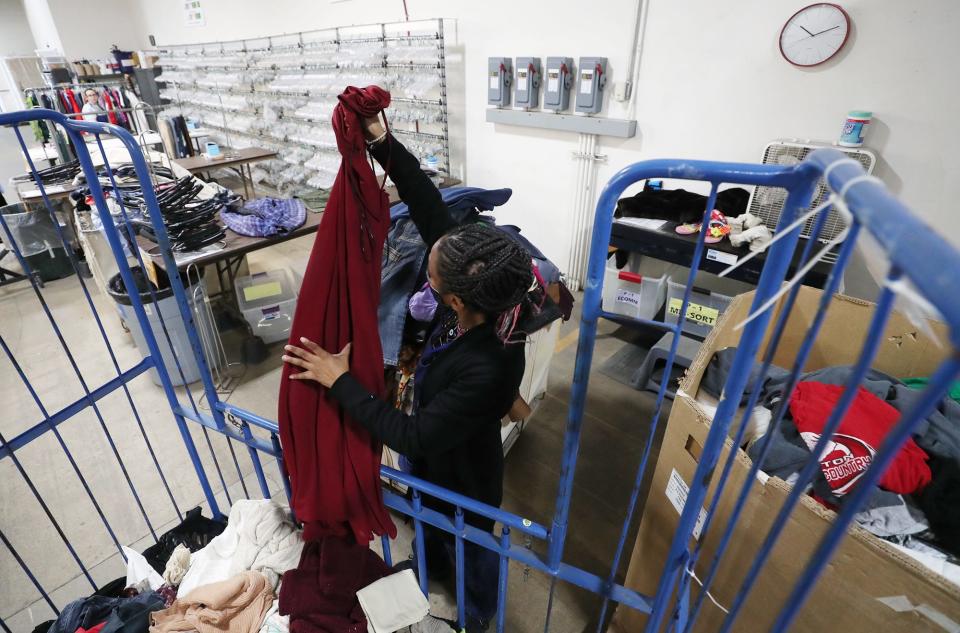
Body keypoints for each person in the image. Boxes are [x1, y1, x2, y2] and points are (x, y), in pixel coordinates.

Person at [281, 112, 535, 631]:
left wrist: (340, 381)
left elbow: (414, 435)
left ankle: (477, 611)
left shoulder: (488, 364)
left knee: (469, 539)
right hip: (438, 450)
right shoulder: (482, 285)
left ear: (458, 301)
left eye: (433, 283)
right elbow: (426, 204)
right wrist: (380, 142)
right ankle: (429, 569)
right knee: (427, 522)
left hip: (465, 476)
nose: (426, 282)